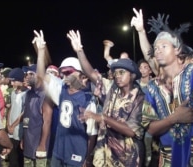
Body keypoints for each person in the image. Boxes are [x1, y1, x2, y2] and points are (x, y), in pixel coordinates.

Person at [131, 8, 193, 167]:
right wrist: (174, 118)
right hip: (168, 159)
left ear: (177, 50)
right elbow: (150, 128)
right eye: (156, 48)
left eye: (163, 46)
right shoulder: (152, 87)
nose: (158, 51)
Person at [67, 29, 145, 167]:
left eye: (122, 72)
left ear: (132, 75)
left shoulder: (140, 98)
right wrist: (79, 50)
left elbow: (131, 131)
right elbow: (90, 73)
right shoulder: (111, 87)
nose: (117, 75)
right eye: (115, 72)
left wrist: (103, 118)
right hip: (104, 155)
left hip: (125, 159)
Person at [34, 29, 97, 167]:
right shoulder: (61, 90)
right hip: (59, 151)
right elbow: (41, 77)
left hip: (77, 154)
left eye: (68, 72)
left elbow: (92, 134)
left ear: (82, 75)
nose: (64, 75)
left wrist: (88, 158)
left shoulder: (88, 100)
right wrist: (41, 52)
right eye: (62, 72)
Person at [21, 64, 54, 167]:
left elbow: (47, 122)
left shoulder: (46, 95)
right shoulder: (28, 94)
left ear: (39, 76)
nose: (27, 76)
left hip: (39, 145)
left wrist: (42, 145)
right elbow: (26, 117)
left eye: (31, 73)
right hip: (28, 143)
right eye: (26, 74)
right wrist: (23, 137)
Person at [7, 67, 28, 167]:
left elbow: (24, 113)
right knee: (12, 156)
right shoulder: (12, 92)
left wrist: (13, 125)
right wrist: (8, 124)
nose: (12, 84)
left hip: (19, 130)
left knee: (20, 156)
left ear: (20, 80)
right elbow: (11, 108)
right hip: (11, 129)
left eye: (14, 81)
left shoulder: (27, 94)